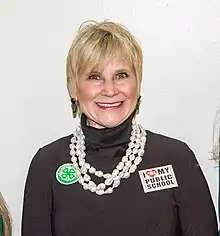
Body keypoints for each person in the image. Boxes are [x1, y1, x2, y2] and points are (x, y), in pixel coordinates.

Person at [21, 20, 218, 236]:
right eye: (94, 77)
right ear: (73, 87)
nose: (110, 89)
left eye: (121, 75)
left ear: (138, 82)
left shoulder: (177, 158)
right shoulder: (46, 165)